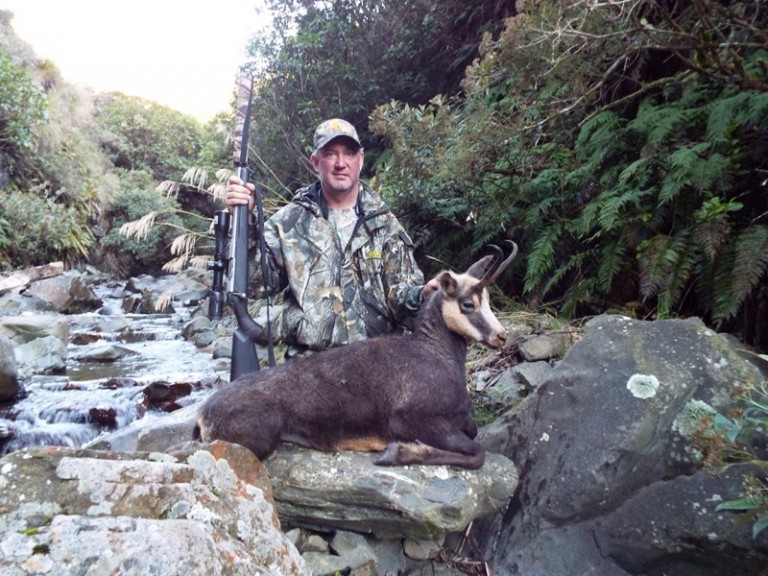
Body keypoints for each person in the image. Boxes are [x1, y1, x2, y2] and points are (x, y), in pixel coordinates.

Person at [224, 118, 436, 357]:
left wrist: (424, 295)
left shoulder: (384, 224)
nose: (340, 163)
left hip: (377, 365)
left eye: (349, 153)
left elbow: (402, 299)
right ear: (315, 161)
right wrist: (244, 221)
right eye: (330, 154)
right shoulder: (289, 223)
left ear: (361, 159)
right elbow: (252, 283)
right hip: (309, 366)